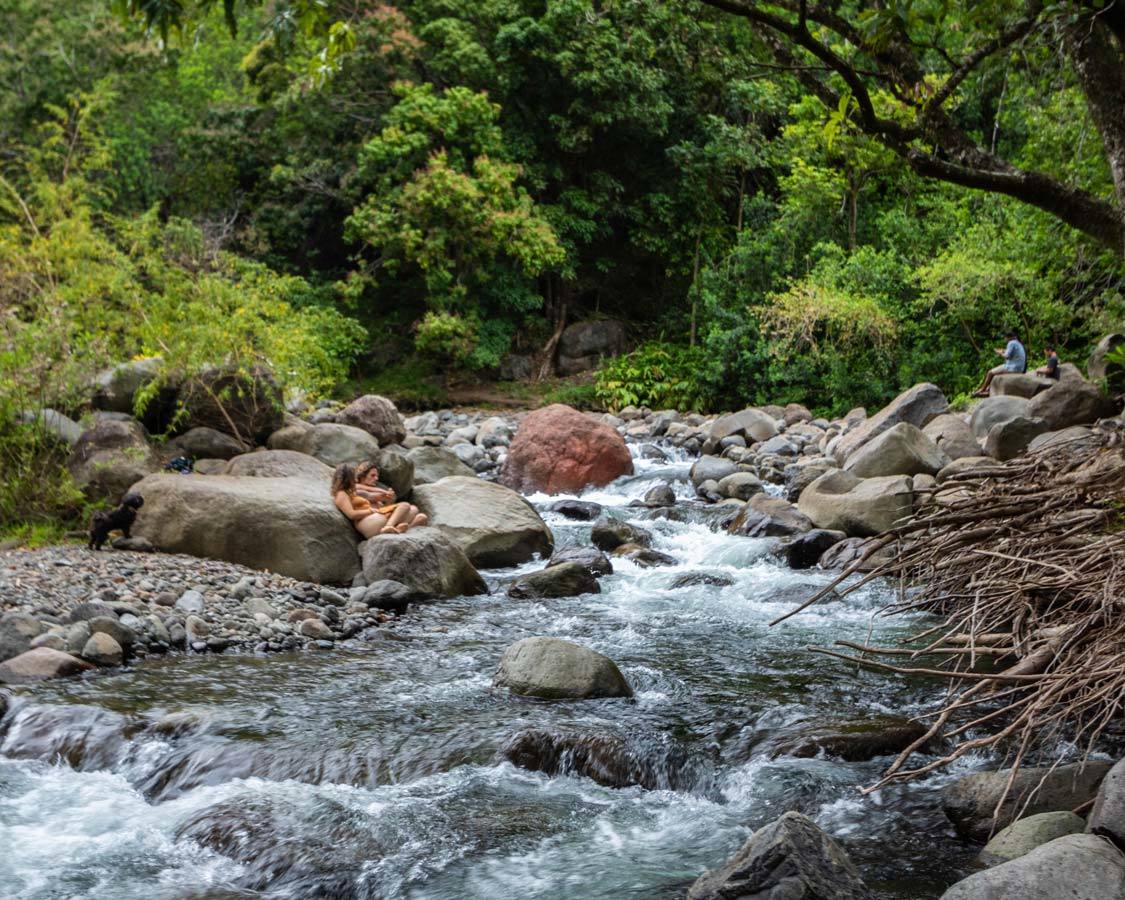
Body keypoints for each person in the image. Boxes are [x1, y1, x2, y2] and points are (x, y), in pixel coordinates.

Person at [331, 463, 410, 539]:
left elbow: (369, 493)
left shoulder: (350, 491)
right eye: (353, 476)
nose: (356, 479)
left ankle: (394, 528)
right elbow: (351, 514)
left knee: (410, 510)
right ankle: (388, 527)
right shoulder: (341, 494)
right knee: (404, 506)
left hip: (371, 519)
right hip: (366, 523)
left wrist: (384, 496)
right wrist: (371, 511)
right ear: (348, 478)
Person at [354, 460, 428, 532]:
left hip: (380, 519)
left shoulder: (374, 490)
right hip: (368, 523)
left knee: (420, 516)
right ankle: (388, 527)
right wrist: (384, 492)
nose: (376, 478)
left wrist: (388, 501)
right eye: (372, 475)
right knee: (405, 505)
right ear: (362, 476)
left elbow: (385, 509)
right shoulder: (356, 488)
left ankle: (398, 530)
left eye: (377, 476)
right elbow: (368, 494)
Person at [973, 330, 1027, 397]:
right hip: (1019, 368)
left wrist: (1000, 353)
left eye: (1005, 338)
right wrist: (1003, 350)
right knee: (996, 374)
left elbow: (1007, 356)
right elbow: (1010, 352)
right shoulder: (1018, 343)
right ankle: (988, 390)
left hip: (1013, 367)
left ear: (1008, 337)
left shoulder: (1011, 343)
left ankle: (982, 389)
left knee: (990, 373)